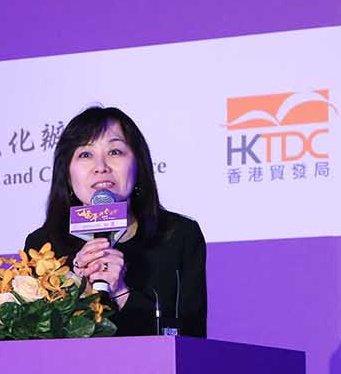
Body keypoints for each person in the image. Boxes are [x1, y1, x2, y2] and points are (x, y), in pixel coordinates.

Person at [24, 106, 206, 337]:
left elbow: (191, 337)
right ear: (67, 175)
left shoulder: (178, 235)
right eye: (85, 154)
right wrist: (75, 287)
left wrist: (121, 292)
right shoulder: (44, 246)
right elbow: (35, 342)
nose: (101, 167)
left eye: (115, 152)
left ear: (138, 165)